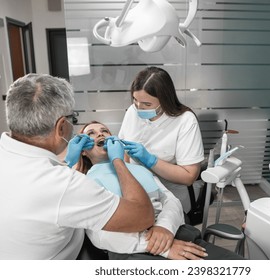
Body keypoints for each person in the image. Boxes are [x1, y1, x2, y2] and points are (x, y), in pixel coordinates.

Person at [0, 73, 155, 260]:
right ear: (61, 127)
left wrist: (67, 163)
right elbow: (143, 216)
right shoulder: (67, 184)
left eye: (104, 131)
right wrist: (118, 161)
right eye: (73, 119)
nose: (100, 135)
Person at [75, 121, 244, 260]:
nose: (100, 134)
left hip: (176, 234)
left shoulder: (139, 170)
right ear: (83, 151)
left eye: (105, 130)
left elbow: (171, 201)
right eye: (91, 133)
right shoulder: (85, 182)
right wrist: (162, 247)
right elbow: (99, 235)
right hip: (132, 250)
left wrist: (165, 228)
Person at [119, 66, 204, 214]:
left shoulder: (185, 121)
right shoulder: (133, 110)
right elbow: (124, 151)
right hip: (136, 191)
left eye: (147, 104)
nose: (139, 108)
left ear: (164, 100)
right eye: (135, 100)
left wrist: (151, 160)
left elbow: (189, 176)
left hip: (169, 196)